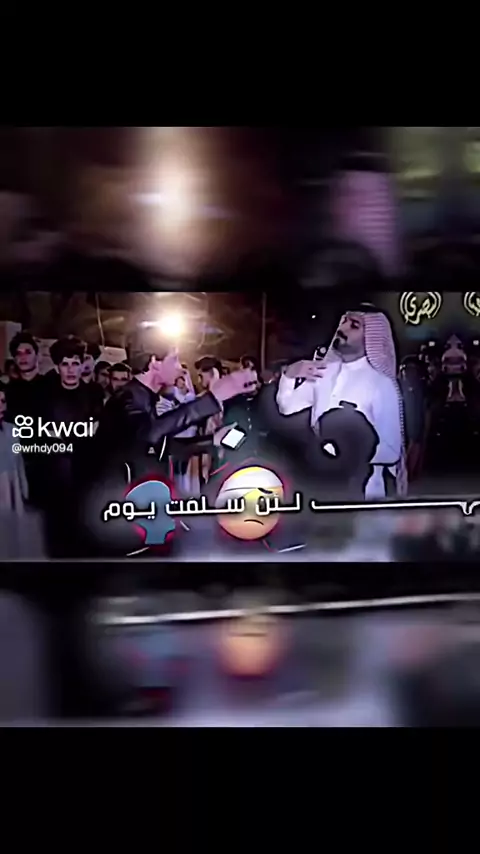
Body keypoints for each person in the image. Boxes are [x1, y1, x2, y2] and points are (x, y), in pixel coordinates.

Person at [276, 304, 405, 499]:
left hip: (365, 492)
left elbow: (392, 450)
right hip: (320, 482)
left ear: (371, 337)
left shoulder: (381, 384)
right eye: (343, 321)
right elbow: (287, 407)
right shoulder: (323, 372)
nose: (342, 328)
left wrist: (346, 449)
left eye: (354, 325)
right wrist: (289, 376)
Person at [5, 331, 48, 507]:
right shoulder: (7, 392)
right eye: (18, 353)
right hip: (17, 462)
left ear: (37, 355)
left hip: (48, 461)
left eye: (28, 352)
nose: (23, 357)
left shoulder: (51, 387)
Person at [195, 356, 225, 485]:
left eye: (201, 376)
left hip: (221, 456)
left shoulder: (226, 396)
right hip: (205, 453)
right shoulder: (202, 398)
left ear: (213, 373)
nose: (199, 380)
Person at [0, 382, 28, 514]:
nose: (0, 406)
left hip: (14, 496)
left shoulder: (12, 430)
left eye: (3, 401)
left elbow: (19, 463)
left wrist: (24, 491)